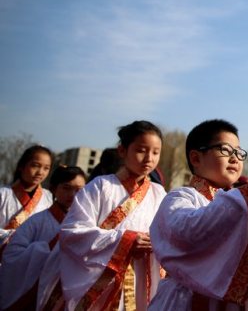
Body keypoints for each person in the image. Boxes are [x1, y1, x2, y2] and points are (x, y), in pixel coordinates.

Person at [149, 119, 248, 310]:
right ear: (196, 158)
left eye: (238, 152)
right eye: (226, 150)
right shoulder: (181, 197)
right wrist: (247, 199)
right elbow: (186, 232)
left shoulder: (240, 205)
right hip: (184, 300)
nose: (235, 158)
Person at [59, 120, 167, 310]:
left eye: (155, 152)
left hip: (142, 279)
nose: (149, 158)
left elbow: (169, 235)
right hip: (101, 279)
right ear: (122, 150)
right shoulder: (101, 186)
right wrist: (125, 240)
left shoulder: (159, 193)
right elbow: (72, 232)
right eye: (141, 150)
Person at [0, 165, 86, 310]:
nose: (73, 194)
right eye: (66, 188)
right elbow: (11, 255)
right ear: (53, 189)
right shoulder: (37, 221)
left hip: (68, 291)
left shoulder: (88, 224)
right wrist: (49, 251)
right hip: (33, 294)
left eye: (79, 190)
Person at [0, 145, 54, 259]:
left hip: (31, 261)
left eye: (46, 168)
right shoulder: (3, 194)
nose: (40, 172)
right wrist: (16, 237)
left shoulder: (49, 198)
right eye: (35, 166)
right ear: (21, 166)